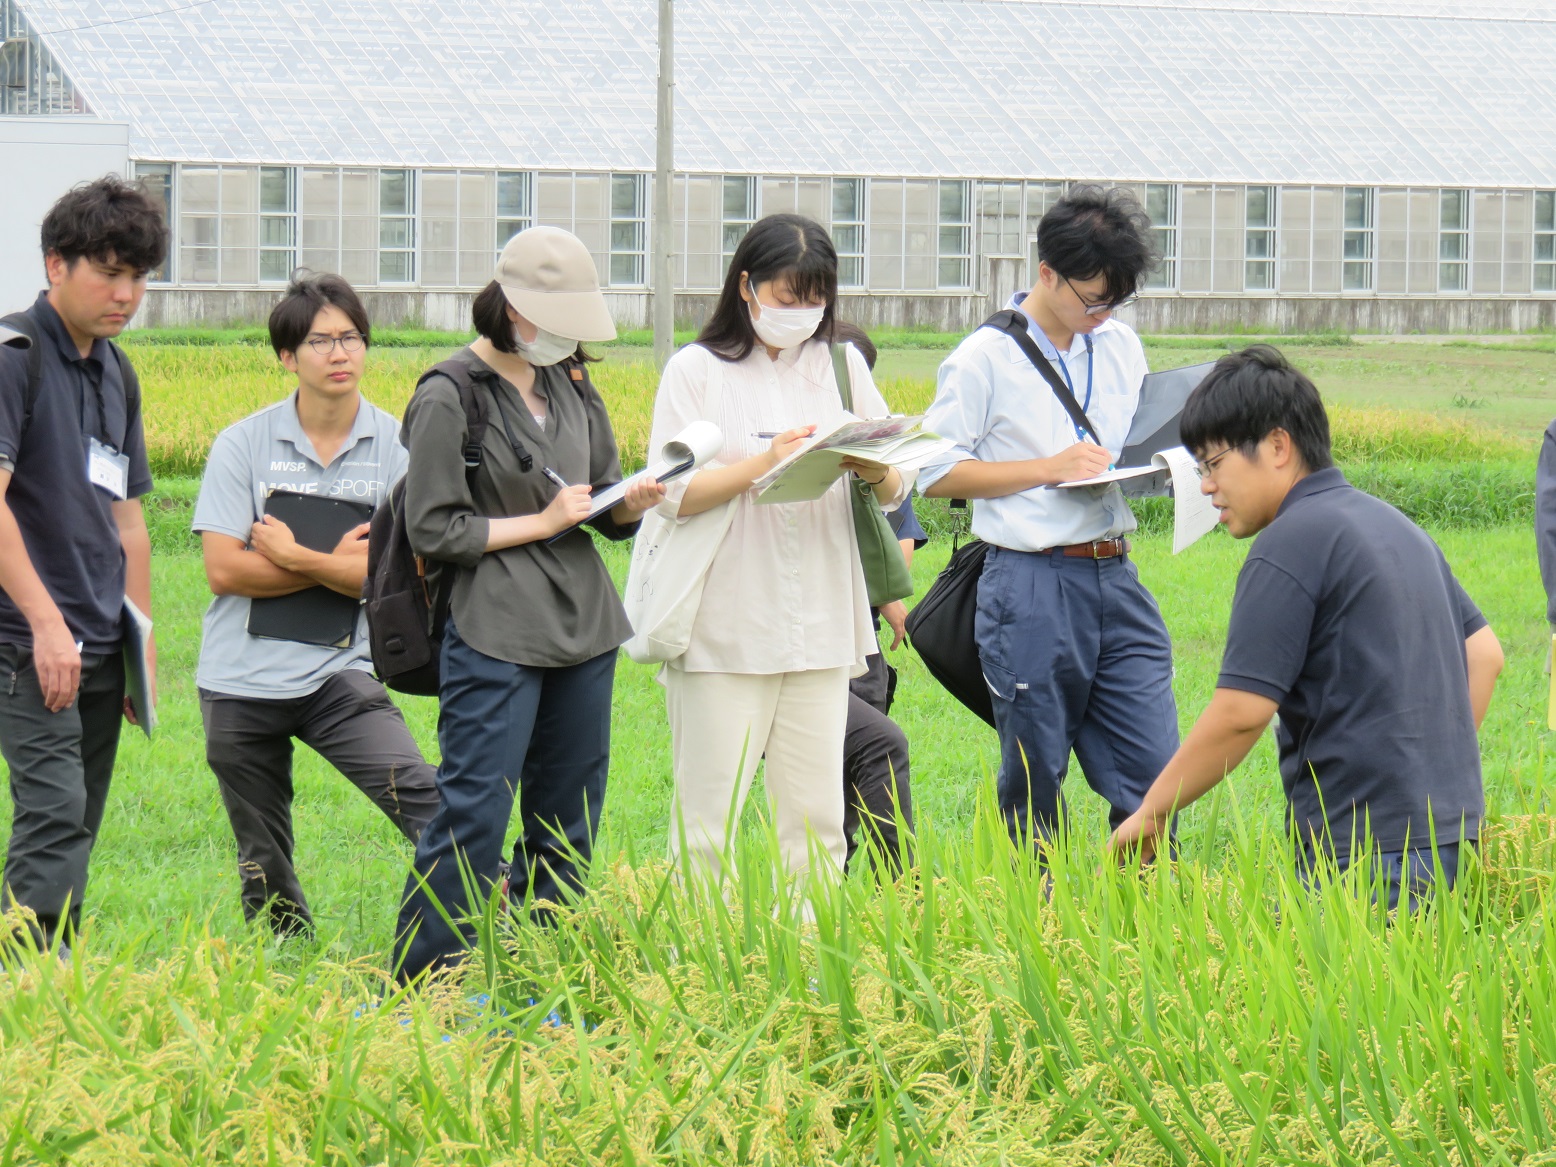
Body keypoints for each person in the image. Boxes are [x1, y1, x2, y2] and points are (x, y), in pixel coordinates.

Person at [1109, 346, 1504, 907]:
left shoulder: (1289, 544)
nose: (1204, 486)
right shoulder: (1394, 524)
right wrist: (1428, 778)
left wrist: (1150, 812)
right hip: (1448, 837)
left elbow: (1241, 714)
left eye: (1213, 464)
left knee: (1349, 995)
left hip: (1365, 856)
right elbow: (1485, 655)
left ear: (1276, 445)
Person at [395, 227, 663, 982]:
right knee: (473, 809)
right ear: (511, 308)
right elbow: (433, 525)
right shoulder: (450, 395)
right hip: (495, 626)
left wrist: (632, 499)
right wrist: (541, 523)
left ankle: (550, 963)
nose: (570, 341)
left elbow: (604, 502)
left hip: (585, 624)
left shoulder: (573, 385)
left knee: (570, 814)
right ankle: (428, 981)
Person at [647, 214, 911, 886]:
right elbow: (671, 493)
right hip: (725, 624)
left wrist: (871, 466)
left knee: (818, 821)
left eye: (815, 298)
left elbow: (893, 483)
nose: (803, 313)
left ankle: (809, 968)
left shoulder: (842, 365)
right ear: (747, 287)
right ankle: (703, 972)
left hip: (821, 619)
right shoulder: (697, 371)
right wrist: (764, 462)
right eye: (789, 297)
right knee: (707, 824)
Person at [918, 185, 1177, 849]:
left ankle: (1154, 922)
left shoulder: (1119, 345)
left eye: (1114, 300)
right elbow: (933, 472)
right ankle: (1042, 923)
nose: (1102, 313)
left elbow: (1134, 439)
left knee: (1156, 769)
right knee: (1035, 774)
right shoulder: (982, 358)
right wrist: (1045, 468)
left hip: (1115, 575)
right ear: (1045, 273)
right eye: (1091, 298)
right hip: (1028, 583)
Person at [192, 272, 440, 938]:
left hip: (340, 672)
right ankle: (287, 955)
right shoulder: (242, 444)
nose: (340, 353)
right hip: (238, 679)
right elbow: (223, 569)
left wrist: (295, 556)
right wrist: (346, 567)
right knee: (261, 852)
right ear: (286, 355)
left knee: (421, 794)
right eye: (321, 340)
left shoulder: (398, 448)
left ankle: (487, 909)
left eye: (352, 338)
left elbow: (399, 573)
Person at [0, 176, 166, 954]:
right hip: (27, 639)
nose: (125, 293)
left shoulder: (117, 372)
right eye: (109, 271)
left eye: (138, 277)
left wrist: (141, 652)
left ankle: (47, 972)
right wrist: (45, 623)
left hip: (101, 641)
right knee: (55, 811)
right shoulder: (14, 357)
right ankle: (30, 987)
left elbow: (128, 522)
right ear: (56, 263)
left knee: (81, 819)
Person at [829, 321, 923, 874]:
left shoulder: (872, 453)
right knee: (868, 756)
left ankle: (883, 899)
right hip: (804, 644)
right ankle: (903, 895)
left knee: (853, 772)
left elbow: (900, 542)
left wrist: (894, 609)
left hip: (859, 647)